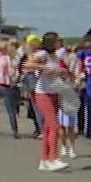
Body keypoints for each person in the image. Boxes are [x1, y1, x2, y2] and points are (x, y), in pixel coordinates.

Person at [25, 32, 73, 172]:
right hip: (43, 93)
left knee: (48, 128)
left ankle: (44, 160)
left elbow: (56, 71)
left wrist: (62, 72)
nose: (60, 42)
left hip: (53, 92)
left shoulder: (56, 56)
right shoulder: (43, 54)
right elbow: (28, 64)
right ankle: (53, 158)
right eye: (58, 40)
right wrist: (46, 68)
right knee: (54, 126)